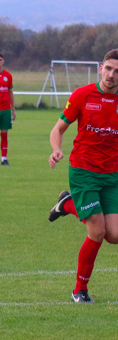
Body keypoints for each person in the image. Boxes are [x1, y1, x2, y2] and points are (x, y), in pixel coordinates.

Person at [47, 50, 118, 304]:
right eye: (108, 68)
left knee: (115, 236)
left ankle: (66, 204)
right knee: (97, 230)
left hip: (112, 175)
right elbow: (58, 129)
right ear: (101, 68)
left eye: (117, 71)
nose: (111, 75)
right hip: (84, 170)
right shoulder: (83, 95)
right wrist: (57, 149)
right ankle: (80, 290)